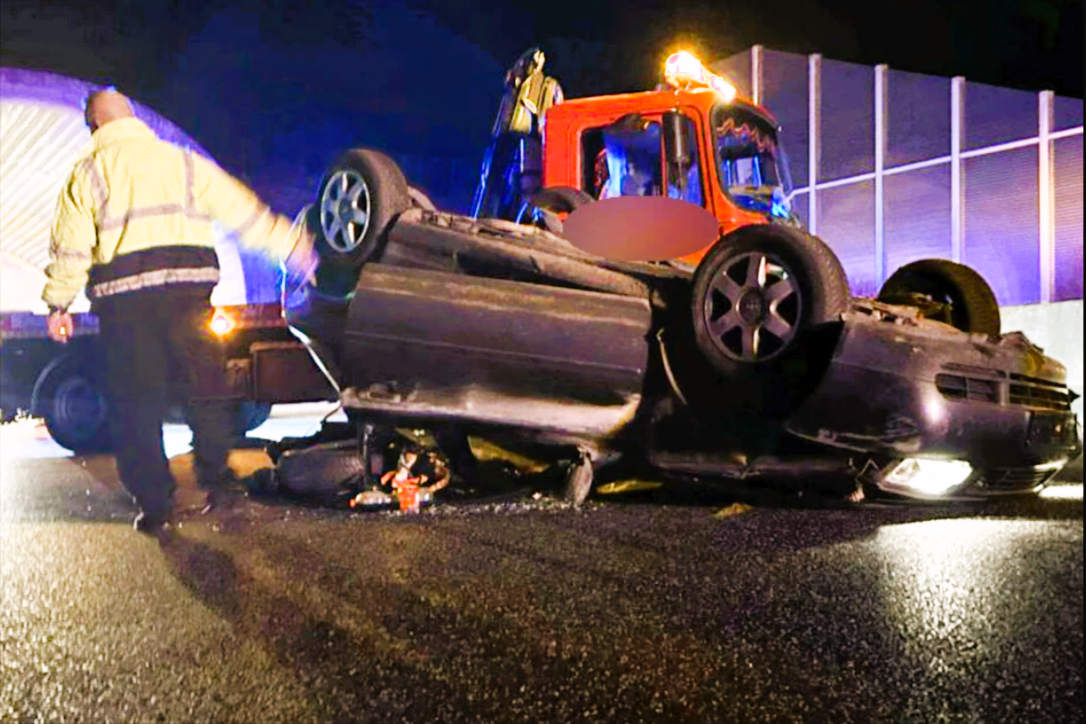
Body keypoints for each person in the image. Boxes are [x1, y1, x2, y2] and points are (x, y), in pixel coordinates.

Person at [43, 88, 318, 535]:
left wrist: (58, 303)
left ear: (93, 126)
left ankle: (156, 506)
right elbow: (243, 211)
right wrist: (291, 247)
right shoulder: (183, 163)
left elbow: (70, 247)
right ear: (133, 120)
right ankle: (219, 484)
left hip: (125, 306)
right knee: (205, 390)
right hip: (189, 300)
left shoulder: (87, 173)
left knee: (136, 405)